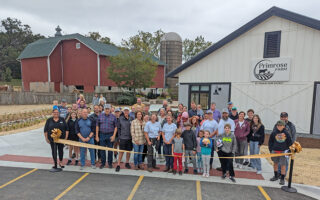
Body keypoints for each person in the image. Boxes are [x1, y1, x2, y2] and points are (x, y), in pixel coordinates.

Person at [269, 120, 293, 185]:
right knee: (275, 164)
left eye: (280, 126)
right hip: (275, 151)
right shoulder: (274, 133)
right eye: (278, 125)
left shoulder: (286, 133)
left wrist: (289, 150)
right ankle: (276, 176)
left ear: (283, 126)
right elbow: (270, 142)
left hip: (283, 152)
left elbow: (290, 142)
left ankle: (282, 178)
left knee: (283, 165)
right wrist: (271, 150)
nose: (279, 127)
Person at [273, 112, 297, 176]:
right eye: (282, 117)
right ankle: (277, 173)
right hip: (277, 147)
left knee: (285, 162)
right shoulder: (276, 125)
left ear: (287, 117)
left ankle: (283, 175)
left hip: (286, 147)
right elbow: (273, 134)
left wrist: (291, 147)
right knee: (277, 161)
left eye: (285, 117)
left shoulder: (291, 125)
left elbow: (293, 136)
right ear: (280, 117)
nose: (283, 118)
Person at [96, 104, 117, 169]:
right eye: (106, 109)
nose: (107, 110)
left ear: (110, 109)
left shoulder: (113, 117)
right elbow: (97, 126)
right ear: (104, 109)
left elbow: (116, 127)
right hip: (102, 135)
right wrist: (97, 136)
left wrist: (114, 136)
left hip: (110, 135)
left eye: (108, 109)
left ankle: (110, 163)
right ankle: (103, 163)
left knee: (110, 150)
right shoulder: (100, 116)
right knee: (102, 150)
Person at [115, 107, 132, 172]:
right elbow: (118, 129)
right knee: (121, 152)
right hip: (122, 138)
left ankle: (127, 163)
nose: (126, 112)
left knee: (128, 151)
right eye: (125, 111)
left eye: (127, 111)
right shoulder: (120, 119)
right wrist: (119, 137)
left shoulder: (131, 118)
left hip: (129, 138)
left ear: (129, 112)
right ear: (123, 112)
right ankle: (118, 164)